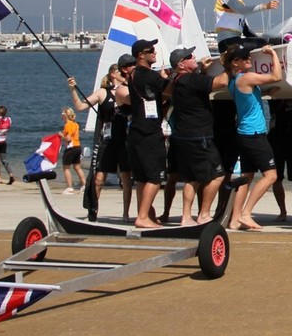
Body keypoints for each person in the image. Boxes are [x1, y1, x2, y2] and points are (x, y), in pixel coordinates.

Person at [222, 43, 282, 230]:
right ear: (235, 63)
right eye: (244, 57)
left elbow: (247, 96)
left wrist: (264, 92)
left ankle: (234, 219)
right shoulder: (246, 77)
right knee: (271, 176)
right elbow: (276, 76)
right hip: (254, 134)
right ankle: (247, 213)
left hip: (243, 133)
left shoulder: (234, 81)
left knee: (246, 177)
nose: (249, 59)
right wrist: (272, 53)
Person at [168, 46, 229, 226]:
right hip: (199, 136)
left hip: (183, 135)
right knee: (217, 175)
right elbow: (221, 83)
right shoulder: (190, 79)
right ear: (181, 64)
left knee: (191, 178)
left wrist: (202, 69)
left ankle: (186, 217)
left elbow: (199, 87)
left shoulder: (178, 80)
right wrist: (230, 66)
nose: (193, 57)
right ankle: (204, 214)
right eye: (189, 56)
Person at [68, 57, 133, 222]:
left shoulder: (128, 90)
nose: (124, 74)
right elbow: (81, 107)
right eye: (120, 72)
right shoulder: (103, 92)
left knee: (126, 178)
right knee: (99, 179)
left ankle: (126, 213)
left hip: (124, 139)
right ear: (113, 74)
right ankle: (93, 210)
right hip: (108, 140)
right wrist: (73, 89)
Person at [125, 38, 171, 229]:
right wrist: (167, 77)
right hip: (150, 132)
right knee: (155, 176)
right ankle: (143, 216)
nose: (155, 52)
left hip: (135, 130)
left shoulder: (133, 74)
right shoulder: (150, 76)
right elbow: (171, 90)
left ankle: (146, 214)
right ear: (140, 55)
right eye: (150, 50)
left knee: (142, 177)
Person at [213, 0, 279, 52]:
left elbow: (246, 31)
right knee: (270, 43)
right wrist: (265, 6)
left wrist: (263, 40)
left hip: (235, 40)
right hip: (227, 43)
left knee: (276, 41)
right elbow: (241, 9)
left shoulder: (238, 1)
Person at [60, 108, 86, 194]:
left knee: (66, 168)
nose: (61, 116)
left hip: (71, 148)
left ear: (65, 115)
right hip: (78, 147)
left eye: (62, 114)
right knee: (77, 167)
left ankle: (70, 187)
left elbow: (68, 139)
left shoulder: (68, 124)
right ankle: (84, 185)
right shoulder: (75, 124)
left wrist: (61, 135)